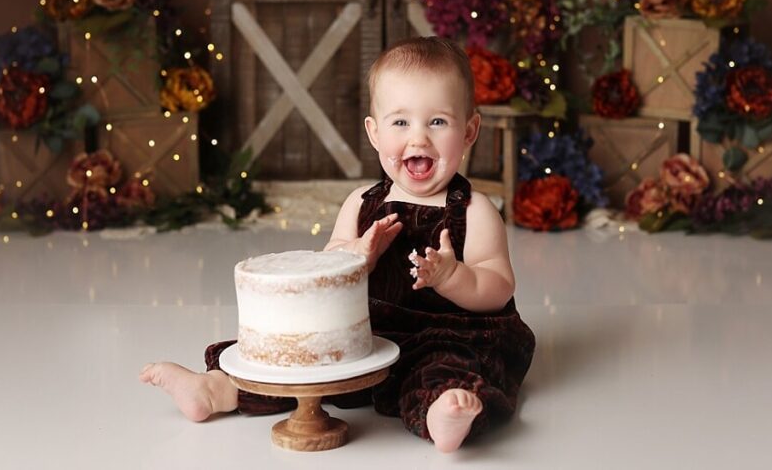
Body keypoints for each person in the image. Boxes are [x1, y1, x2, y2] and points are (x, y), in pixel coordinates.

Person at [140, 36, 535, 452]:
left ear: (469, 130)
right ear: (374, 132)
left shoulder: (475, 211)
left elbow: (498, 288)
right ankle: (215, 389)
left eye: (437, 122)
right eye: (400, 123)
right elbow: (327, 272)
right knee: (298, 360)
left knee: (448, 371)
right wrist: (355, 258)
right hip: (366, 335)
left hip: (446, 336)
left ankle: (442, 413)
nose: (418, 139)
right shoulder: (361, 204)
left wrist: (453, 276)